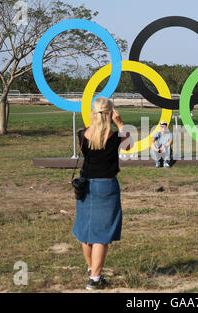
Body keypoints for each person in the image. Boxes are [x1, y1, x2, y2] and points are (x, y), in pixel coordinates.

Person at [72, 97, 130, 290]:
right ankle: (95, 279)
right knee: (101, 235)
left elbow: (88, 145)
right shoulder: (114, 137)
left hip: (86, 185)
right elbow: (128, 146)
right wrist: (120, 123)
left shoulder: (82, 135)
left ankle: (92, 270)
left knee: (86, 231)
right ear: (110, 114)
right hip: (107, 187)